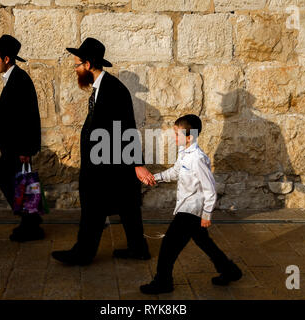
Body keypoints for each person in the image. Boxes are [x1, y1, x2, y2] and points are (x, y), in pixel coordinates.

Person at [52, 38, 156, 265]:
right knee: (126, 206)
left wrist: (137, 164)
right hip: (107, 160)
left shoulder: (113, 90)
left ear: (88, 65)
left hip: (107, 162)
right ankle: (138, 249)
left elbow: (126, 129)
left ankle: (83, 254)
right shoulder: (102, 87)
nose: (76, 69)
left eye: (77, 65)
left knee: (94, 207)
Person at [140, 114, 242, 294]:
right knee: (204, 242)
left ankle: (163, 282)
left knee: (168, 247)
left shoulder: (197, 158)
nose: (174, 137)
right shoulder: (184, 152)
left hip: (191, 210)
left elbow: (210, 189)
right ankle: (229, 270)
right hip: (185, 207)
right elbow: (176, 171)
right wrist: (155, 178)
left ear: (190, 137)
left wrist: (206, 214)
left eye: (177, 134)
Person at [0, 34, 43, 242]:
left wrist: (26, 150)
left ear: (7, 59)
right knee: (22, 182)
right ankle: (32, 221)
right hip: (14, 147)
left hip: (18, 148)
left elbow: (28, 116)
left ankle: (30, 223)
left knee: (8, 178)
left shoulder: (20, 80)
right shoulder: (13, 78)